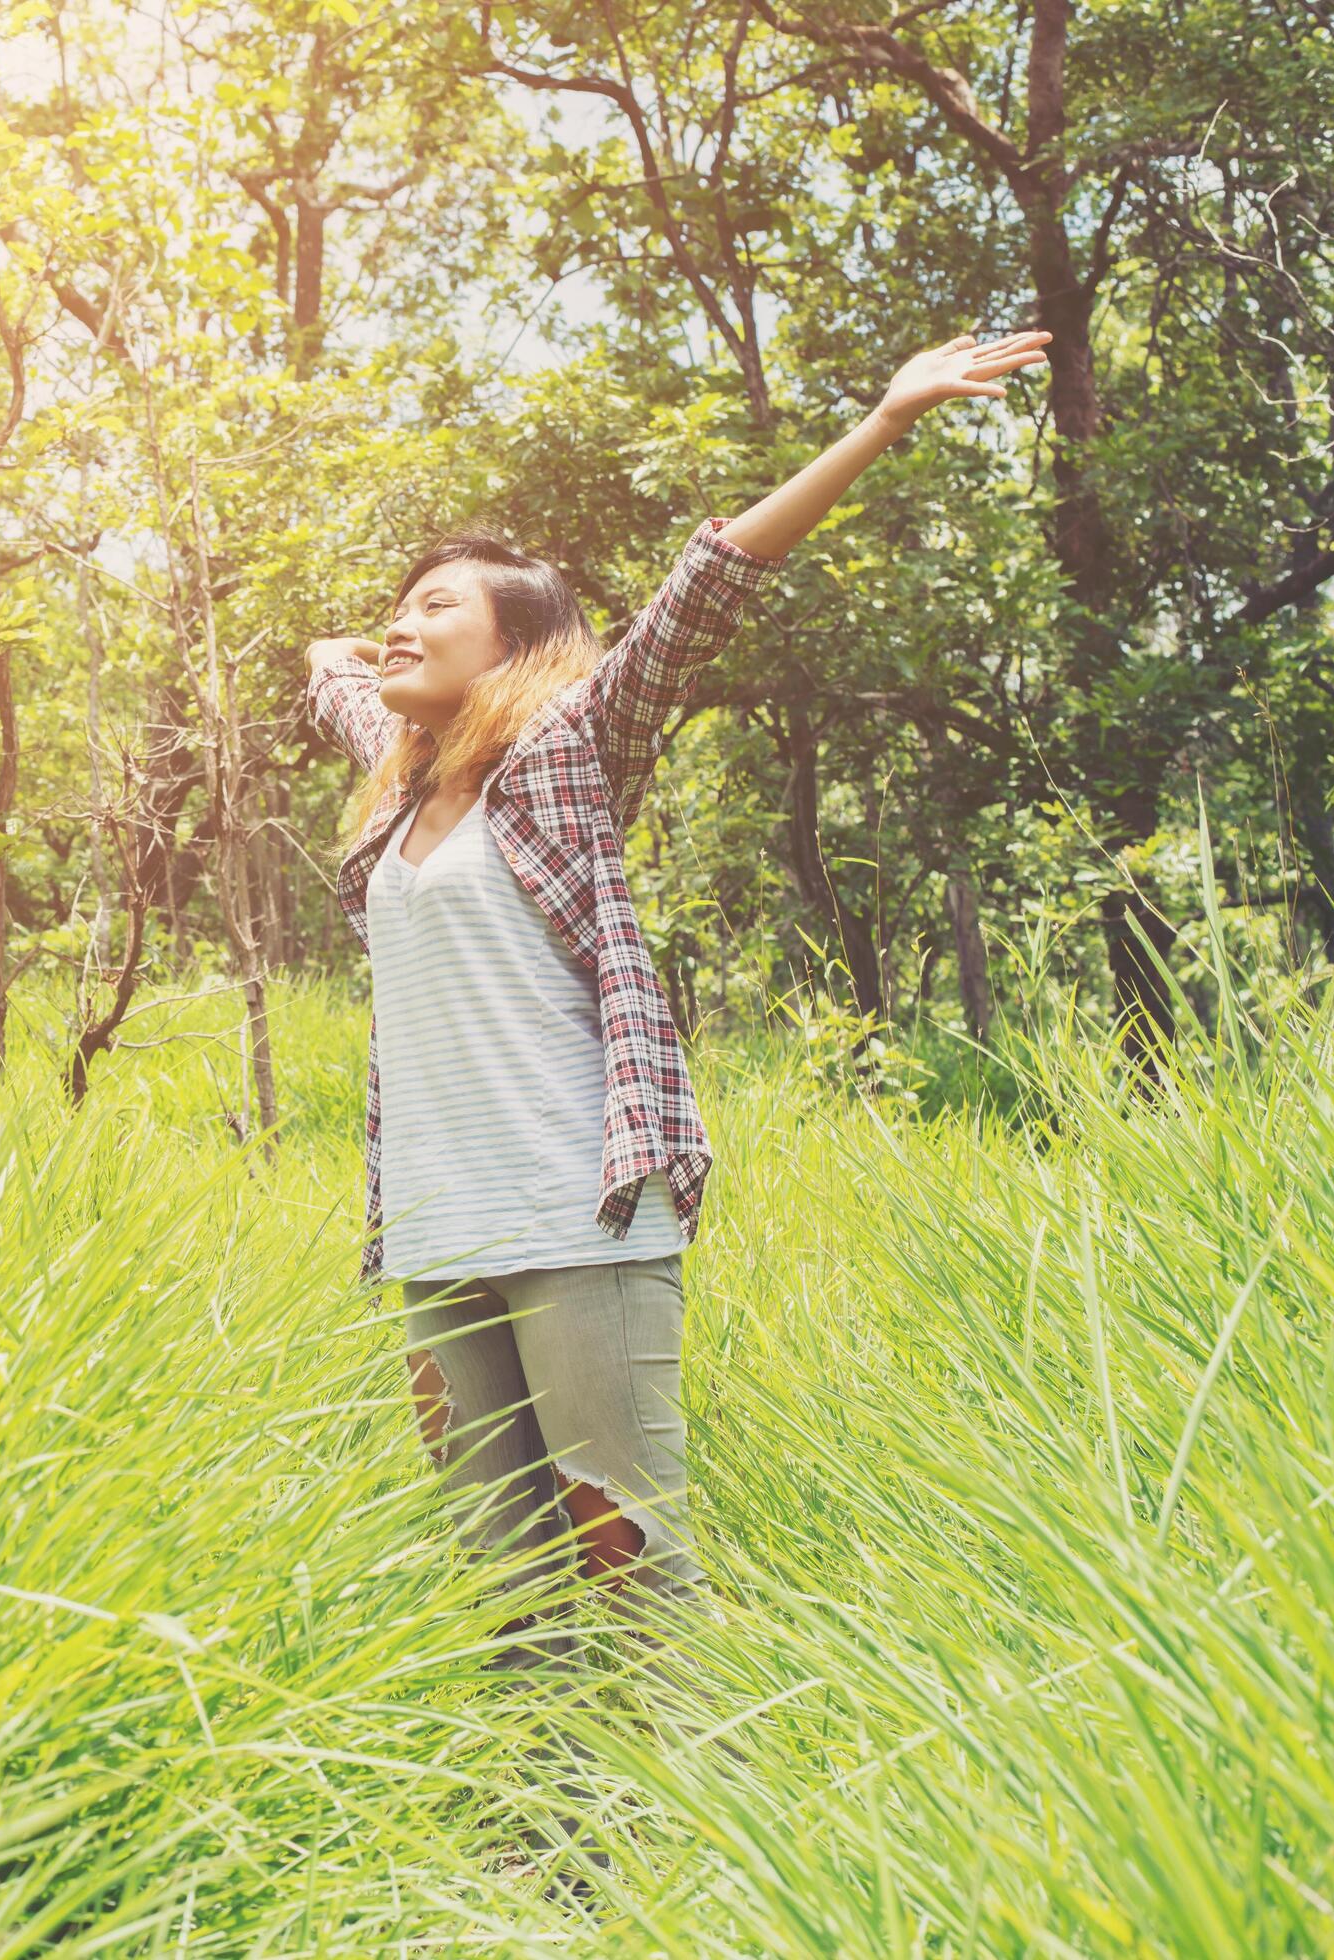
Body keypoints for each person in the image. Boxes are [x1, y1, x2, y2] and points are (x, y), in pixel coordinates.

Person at [301, 332, 1052, 1642]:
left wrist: (879, 420)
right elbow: (335, 680)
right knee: (502, 1578)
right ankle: (546, 1841)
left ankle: (693, 1826)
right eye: (401, 603)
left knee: (627, 1556)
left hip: (574, 1212)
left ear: (518, 648)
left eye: (439, 607)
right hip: (432, 1229)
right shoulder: (402, 789)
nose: (400, 623)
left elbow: (710, 583)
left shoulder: (566, 757)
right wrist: (359, 655)